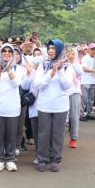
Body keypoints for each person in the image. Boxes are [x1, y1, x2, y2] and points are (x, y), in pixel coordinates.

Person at [33, 39, 73, 172]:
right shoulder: (43, 66)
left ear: (60, 50)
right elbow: (37, 84)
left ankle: (56, 160)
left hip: (60, 106)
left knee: (58, 134)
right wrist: (51, 74)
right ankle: (42, 159)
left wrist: (60, 71)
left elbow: (67, 85)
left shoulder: (67, 66)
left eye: (53, 48)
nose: (50, 51)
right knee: (43, 134)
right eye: (49, 48)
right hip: (44, 105)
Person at [0, 44, 23, 171]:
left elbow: (16, 83)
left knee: (11, 135)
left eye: (9, 51)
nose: (7, 53)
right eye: (4, 51)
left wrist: (8, 70)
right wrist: (0, 69)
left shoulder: (18, 68)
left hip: (12, 108)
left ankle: (10, 159)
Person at [80, 43, 95, 119]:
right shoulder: (85, 58)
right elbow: (85, 68)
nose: (93, 51)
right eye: (92, 49)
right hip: (85, 81)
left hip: (93, 80)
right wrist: (94, 70)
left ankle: (89, 113)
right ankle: (82, 114)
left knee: (91, 98)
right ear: (88, 50)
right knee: (84, 98)